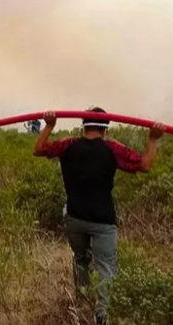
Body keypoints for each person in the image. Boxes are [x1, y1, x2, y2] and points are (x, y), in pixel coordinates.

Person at [34, 108, 165, 325]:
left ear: (83, 126)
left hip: (75, 218)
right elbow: (145, 165)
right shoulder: (112, 148)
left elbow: (39, 149)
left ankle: (82, 304)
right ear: (105, 130)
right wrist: (153, 139)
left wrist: (49, 125)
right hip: (103, 221)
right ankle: (102, 317)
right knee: (105, 267)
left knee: (81, 259)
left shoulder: (67, 145)